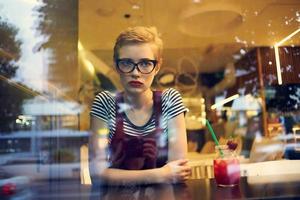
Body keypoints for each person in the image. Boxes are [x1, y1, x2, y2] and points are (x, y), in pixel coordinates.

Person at [89, 26, 191, 185]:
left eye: (144, 63)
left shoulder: (170, 100)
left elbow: (178, 171)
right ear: (116, 66)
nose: (135, 73)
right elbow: (96, 173)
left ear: (157, 66)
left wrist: (114, 175)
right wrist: (161, 174)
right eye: (127, 63)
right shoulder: (105, 102)